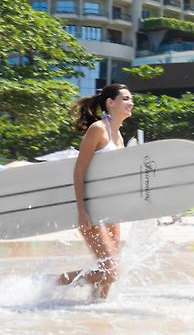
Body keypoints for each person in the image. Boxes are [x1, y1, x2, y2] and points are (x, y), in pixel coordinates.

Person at [56, 83, 133, 299]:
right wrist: (82, 211)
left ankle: (97, 311)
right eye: (126, 98)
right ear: (110, 102)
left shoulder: (119, 135)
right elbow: (78, 172)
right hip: (91, 210)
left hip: (110, 211)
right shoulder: (98, 129)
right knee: (111, 270)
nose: (131, 103)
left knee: (107, 274)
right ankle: (50, 283)